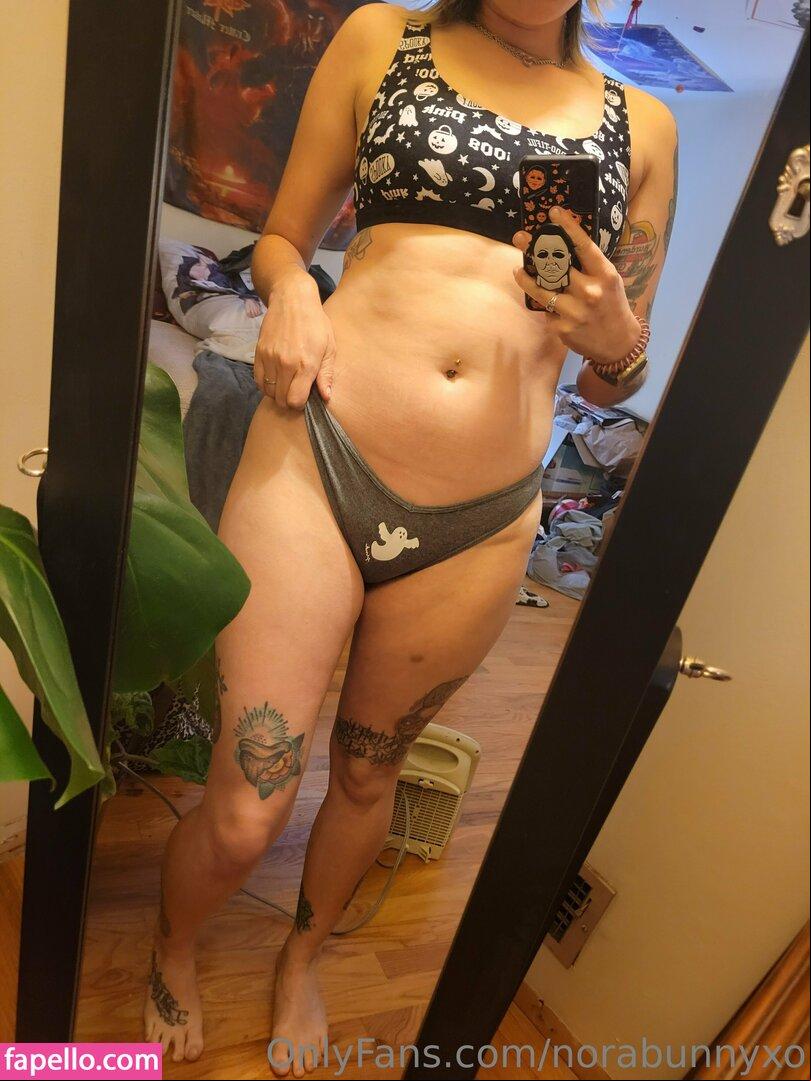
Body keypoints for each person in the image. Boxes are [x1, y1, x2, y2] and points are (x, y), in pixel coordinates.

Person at [144, 1, 677, 1073]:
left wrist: (621, 341)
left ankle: (301, 959)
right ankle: (171, 948)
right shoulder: (384, 39)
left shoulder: (644, 125)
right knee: (248, 805)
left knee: (366, 777)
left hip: (481, 518)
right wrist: (292, 292)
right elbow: (282, 240)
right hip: (318, 457)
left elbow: (610, 375)